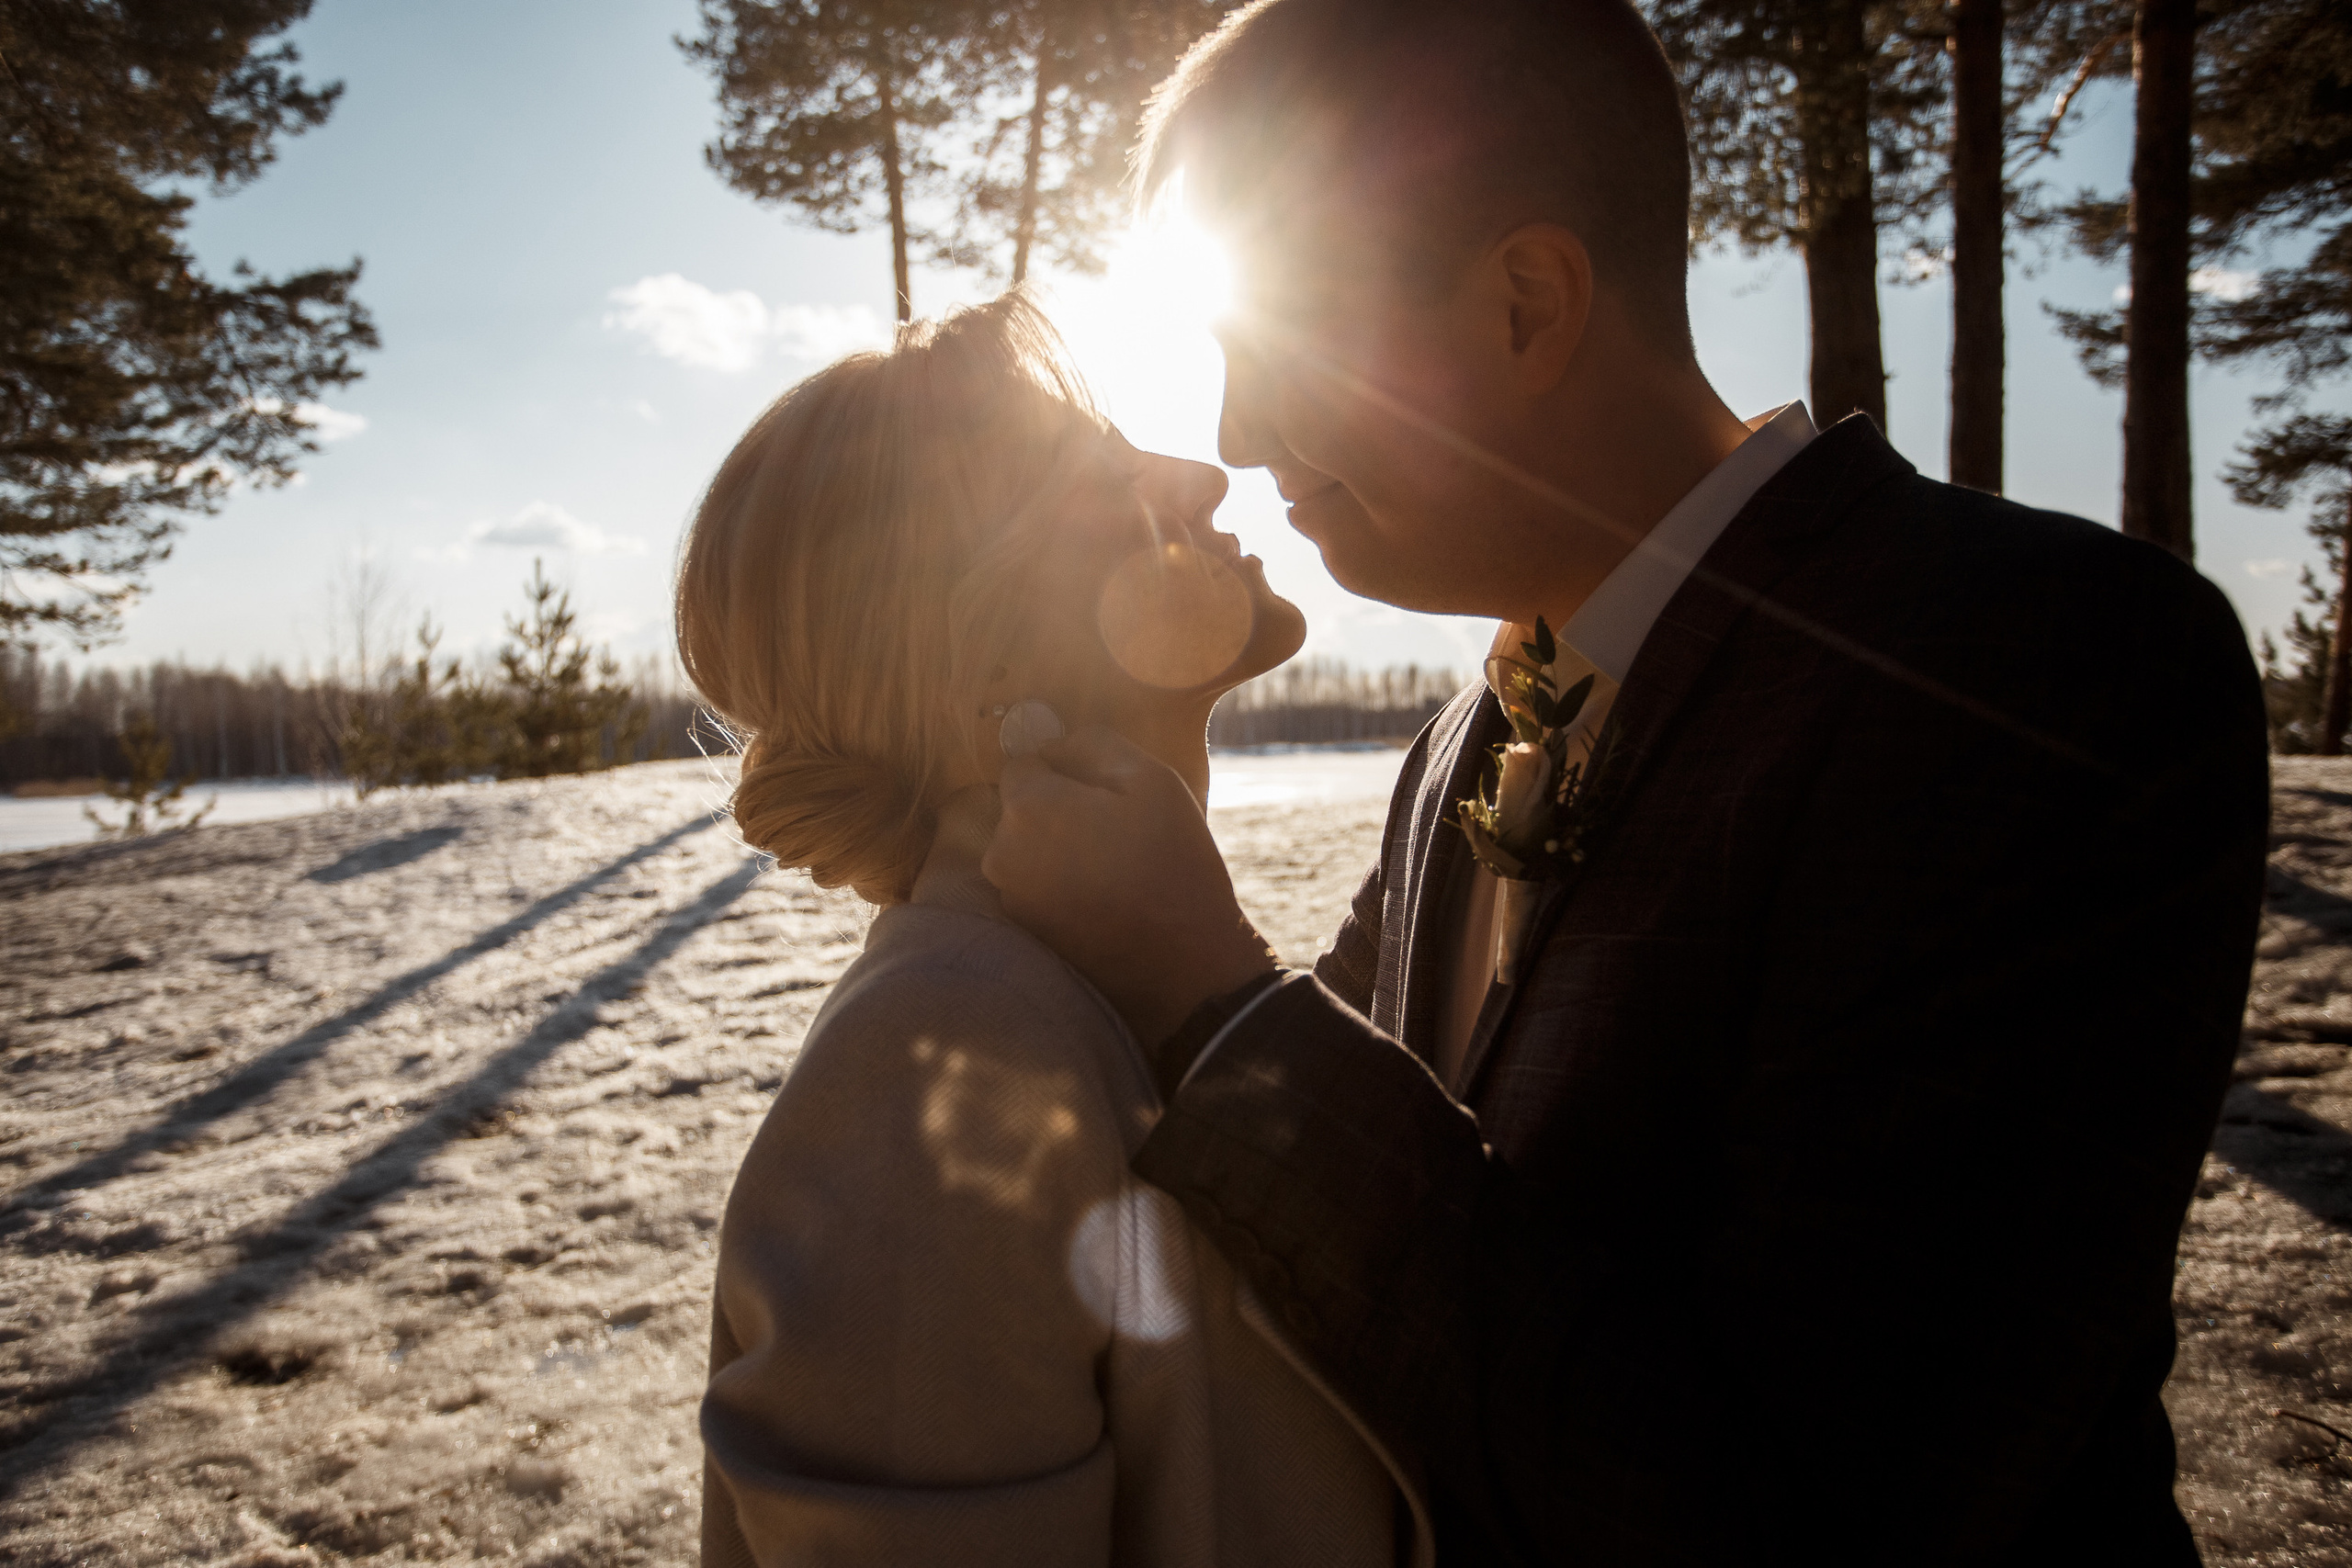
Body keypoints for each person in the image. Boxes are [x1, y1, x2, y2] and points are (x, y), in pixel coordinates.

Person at [979, 0, 2272, 1562]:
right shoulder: (1459, 751)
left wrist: (1220, 1002)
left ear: (1526, 304)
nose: (1238, 430)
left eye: (1276, 344)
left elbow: (1809, 1517)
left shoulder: (2034, 670)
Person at [674, 294, 1427, 1568]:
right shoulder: (940, 1067)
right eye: (1112, 482)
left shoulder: (1102, 982)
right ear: (976, 657)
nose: (1203, 477)